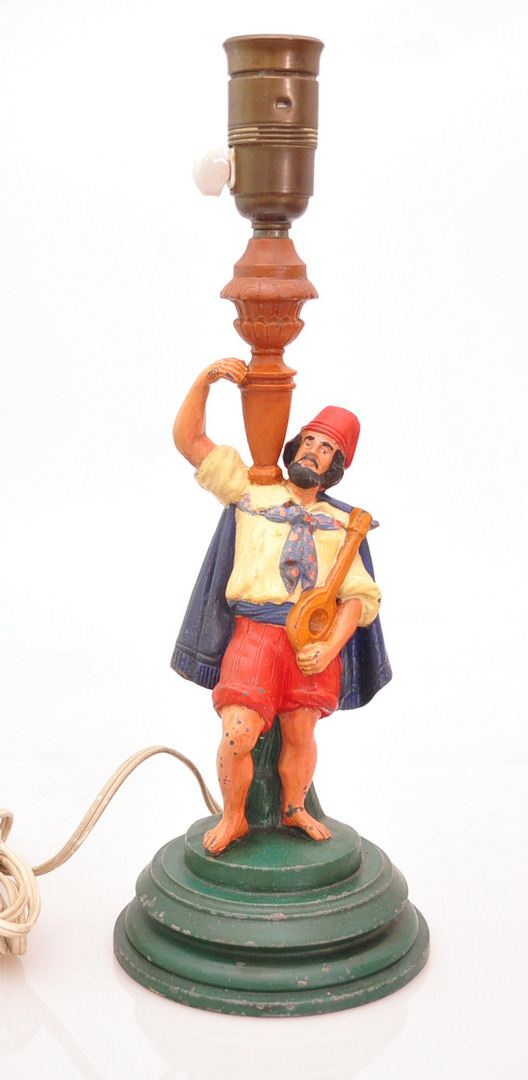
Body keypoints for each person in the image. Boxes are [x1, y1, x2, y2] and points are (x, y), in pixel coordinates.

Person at [172, 357, 389, 855]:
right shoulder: (253, 491)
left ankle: (294, 808)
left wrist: (330, 648)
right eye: (309, 440)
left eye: (326, 448)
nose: (313, 451)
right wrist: (205, 381)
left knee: (300, 733)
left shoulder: (343, 525)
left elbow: (359, 597)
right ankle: (234, 818)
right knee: (238, 732)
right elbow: (190, 441)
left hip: (311, 644)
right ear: (294, 446)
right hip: (255, 635)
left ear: (336, 465)